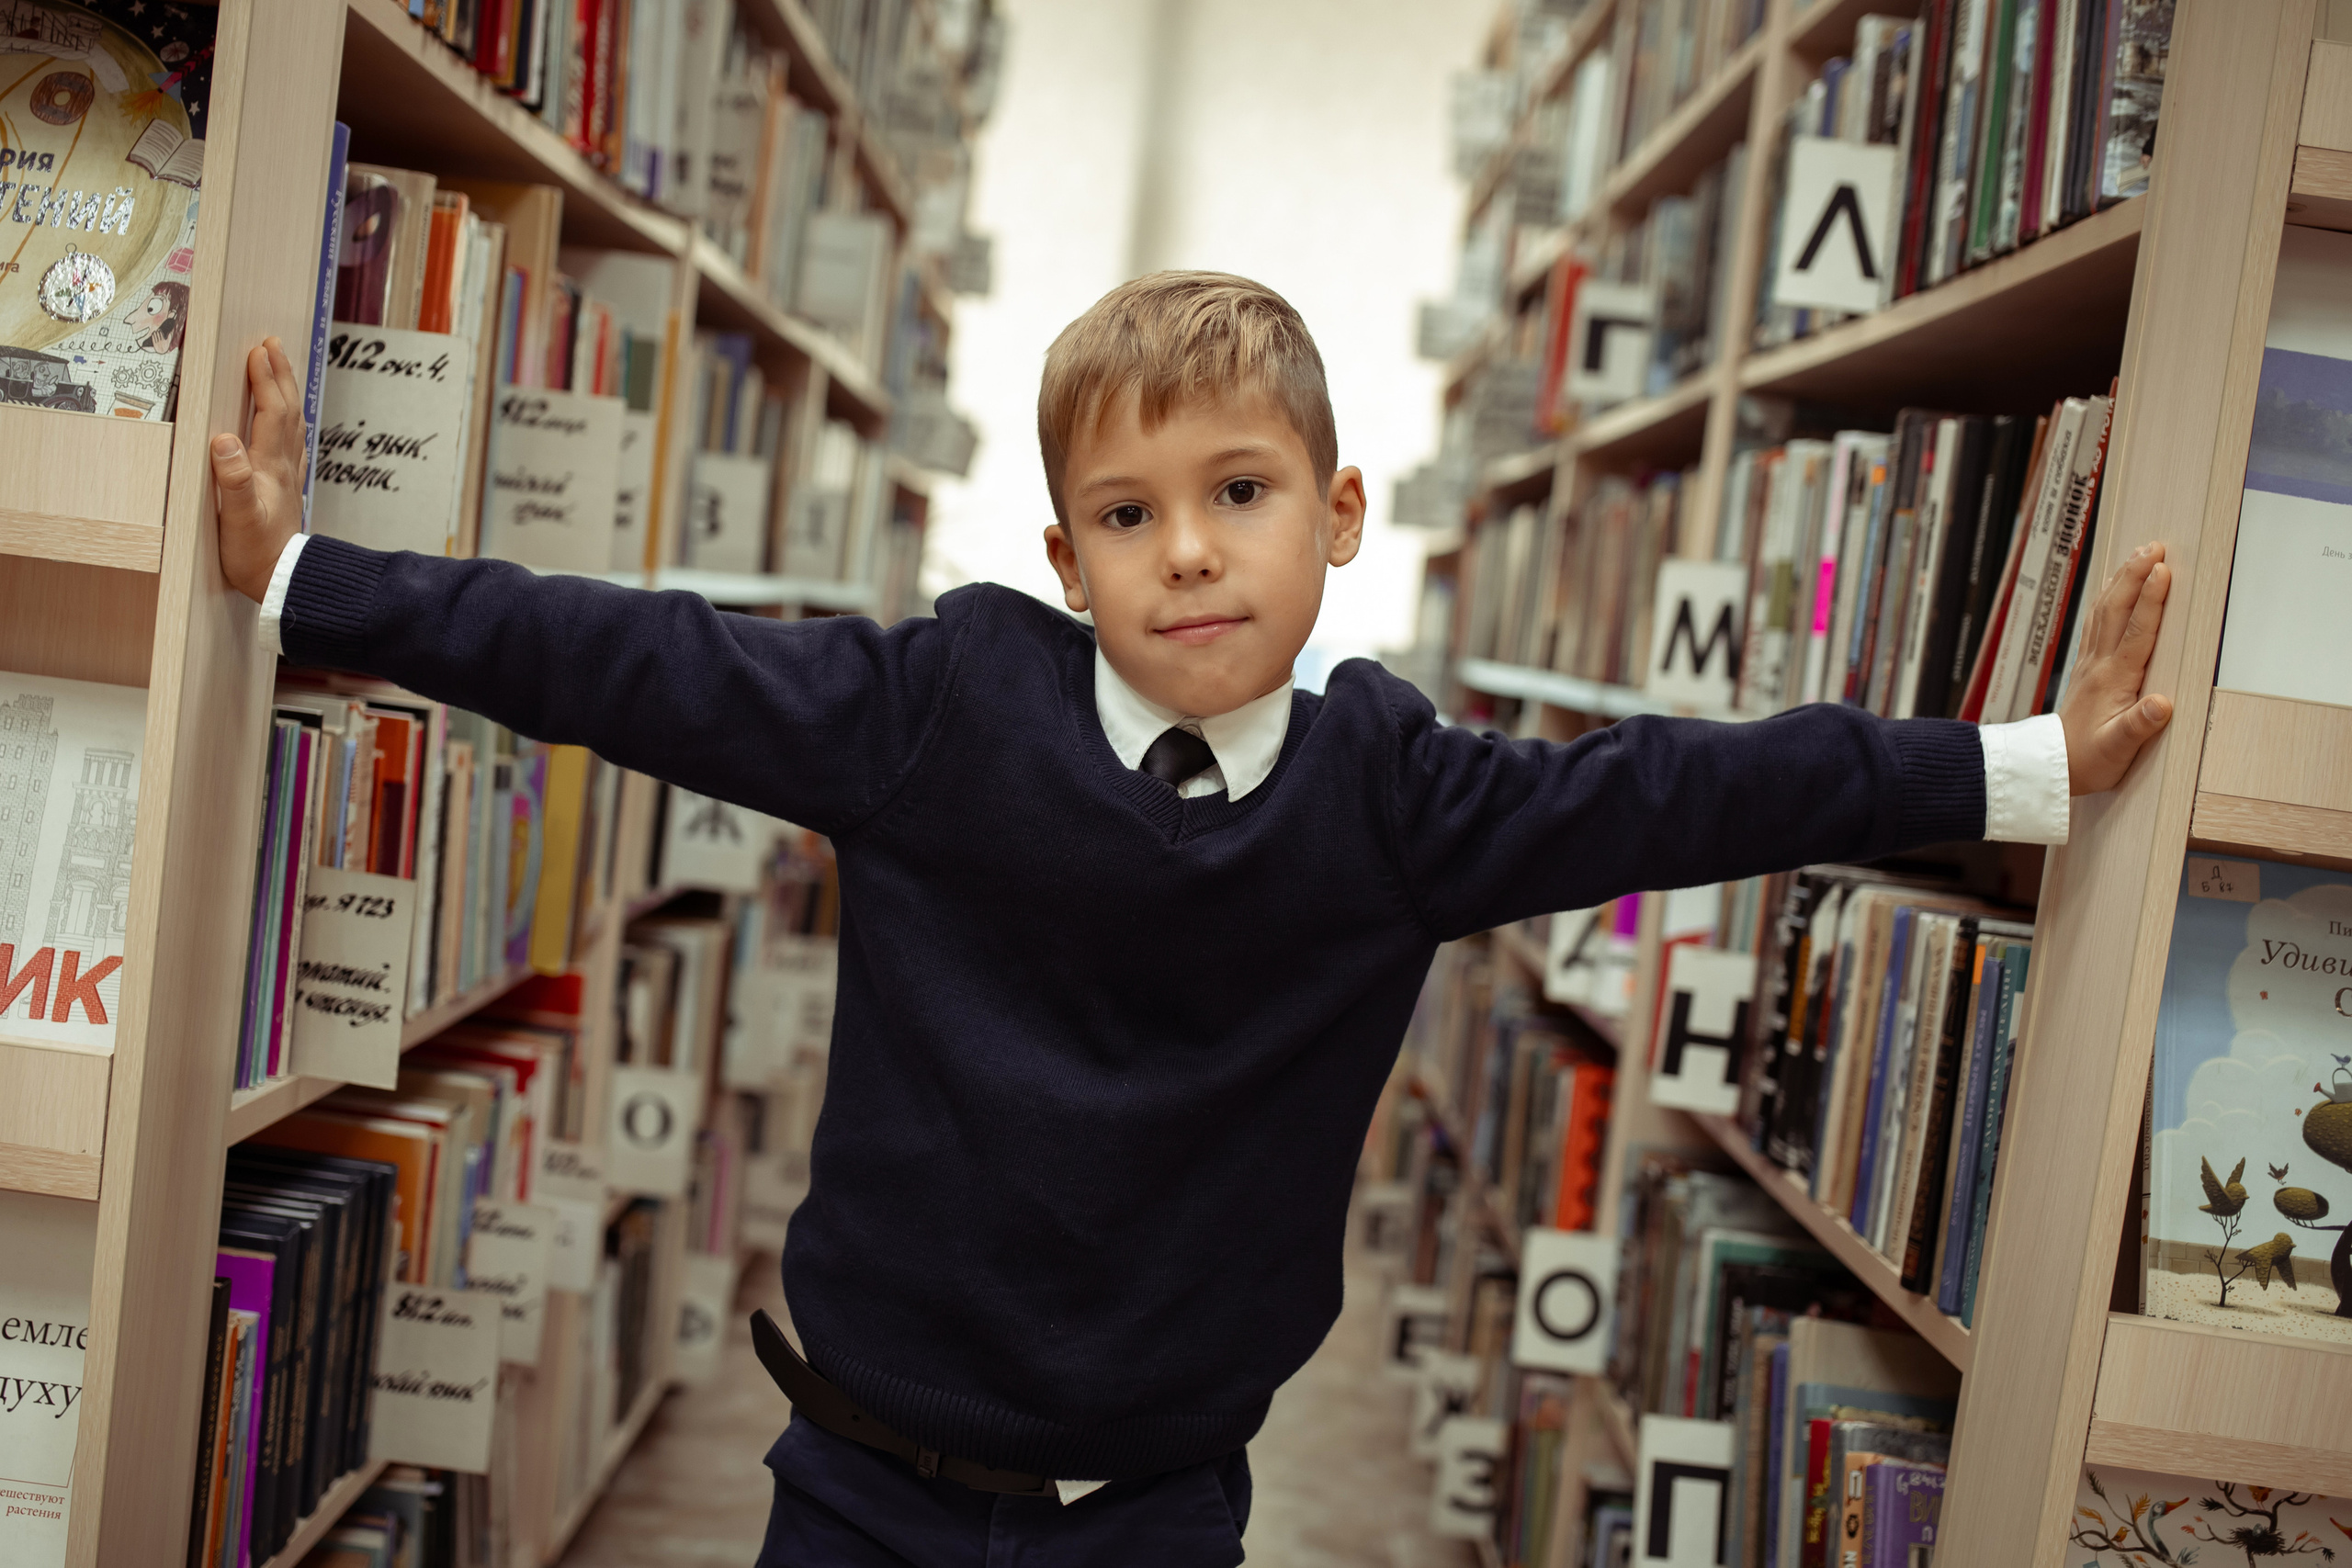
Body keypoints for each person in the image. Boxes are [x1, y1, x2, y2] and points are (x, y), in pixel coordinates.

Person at [209, 273, 2174, 1567]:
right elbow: (631, 658)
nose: (1191, 549)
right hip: (855, 1479)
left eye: (1237, 488)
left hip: (1154, 1507)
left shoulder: (1397, 795)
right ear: (1064, 560)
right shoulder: (936, 709)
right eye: (1129, 515)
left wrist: (2022, 769)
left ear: (1338, 510)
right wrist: (308, 574)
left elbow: (1689, 785)